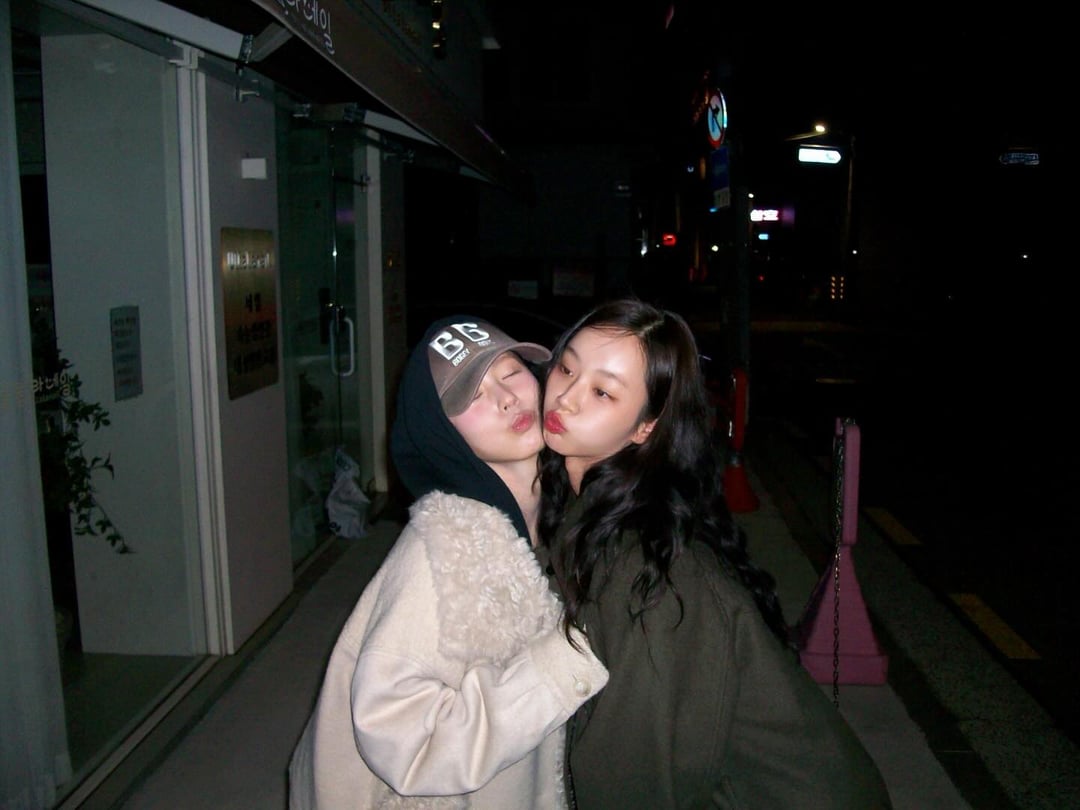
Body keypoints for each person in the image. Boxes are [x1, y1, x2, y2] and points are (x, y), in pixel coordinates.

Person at [538, 299, 892, 809]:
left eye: (602, 391)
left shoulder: (648, 573)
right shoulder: (591, 508)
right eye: (567, 368)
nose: (566, 398)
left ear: (645, 426)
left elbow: (635, 776)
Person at [288, 315, 608, 809]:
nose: (507, 398)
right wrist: (562, 667)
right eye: (471, 396)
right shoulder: (441, 553)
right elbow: (404, 741)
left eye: (510, 372)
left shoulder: (555, 513)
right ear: (442, 433)